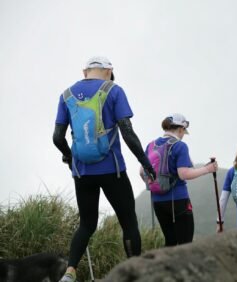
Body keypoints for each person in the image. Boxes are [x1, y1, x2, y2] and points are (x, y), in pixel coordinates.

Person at [53, 56, 155, 282]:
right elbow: (127, 132)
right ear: (109, 71)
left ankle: (69, 273)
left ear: (85, 71)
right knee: (128, 222)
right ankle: (134, 273)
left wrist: (70, 159)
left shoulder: (66, 95)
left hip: (82, 172)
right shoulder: (114, 90)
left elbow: (57, 137)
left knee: (86, 224)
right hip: (112, 170)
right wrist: (145, 162)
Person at [140, 113, 218, 247]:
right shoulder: (179, 146)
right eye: (183, 132)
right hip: (178, 200)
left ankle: (166, 268)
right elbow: (184, 174)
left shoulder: (151, 145)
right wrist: (208, 169)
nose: (183, 135)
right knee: (185, 243)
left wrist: (155, 185)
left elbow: (142, 172)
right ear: (180, 129)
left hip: (158, 201)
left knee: (170, 241)